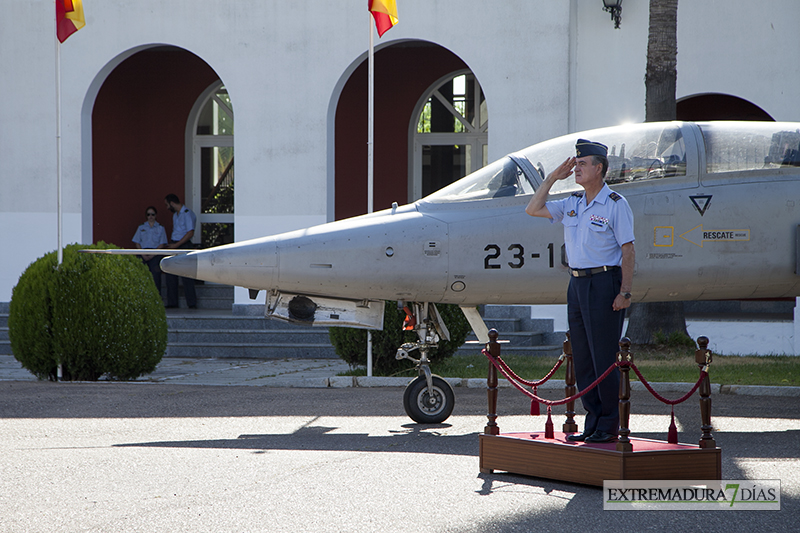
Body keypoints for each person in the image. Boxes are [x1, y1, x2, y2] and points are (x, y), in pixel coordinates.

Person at [525, 139, 635, 443]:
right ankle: (593, 421)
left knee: (604, 357)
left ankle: (609, 424)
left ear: (599, 168)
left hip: (604, 283)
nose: (576, 167)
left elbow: (628, 249)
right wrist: (551, 179)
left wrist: (625, 291)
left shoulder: (615, 204)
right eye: (575, 162)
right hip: (577, 284)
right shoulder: (572, 202)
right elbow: (533, 209)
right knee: (584, 358)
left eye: (582, 163)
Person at [164, 193, 198, 309]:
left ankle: (191, 303)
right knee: (171, 274)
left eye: (167, 205)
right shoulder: (175, 215)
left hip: (183, 245)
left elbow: (190, 233)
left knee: (186, 275)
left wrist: (176, 245)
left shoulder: (187, 214)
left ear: (172, 203)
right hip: (175, 244)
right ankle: (172, 302)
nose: (167, 207)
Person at [132, 206, 168, 289]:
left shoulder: (160, 228)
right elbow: (137, 242)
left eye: (153, 214)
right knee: (141, 276)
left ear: (156, 215)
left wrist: (153, 254)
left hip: (155, 254)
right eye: (148, 214)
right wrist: (142, 253)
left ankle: (157, 298)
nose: (150, 216)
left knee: (156, 277)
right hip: (143, 252)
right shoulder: (141, 227)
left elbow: (162, 243)